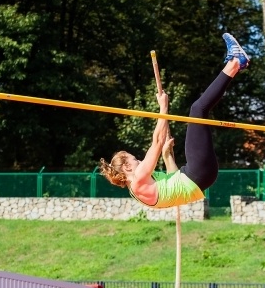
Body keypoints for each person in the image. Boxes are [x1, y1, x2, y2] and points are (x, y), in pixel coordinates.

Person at [99, 33, 250, 208]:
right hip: (197, 174)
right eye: (134, 159)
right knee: (197, 109)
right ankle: (235, 63)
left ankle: (236, 64)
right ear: (127, 168)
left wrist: (166, 156)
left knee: (198, 111)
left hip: (197, 177)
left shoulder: (138, 192)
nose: (139, 160)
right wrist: (163, 107)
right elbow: (157, 141)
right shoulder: (139, 178)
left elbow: (174, 176)